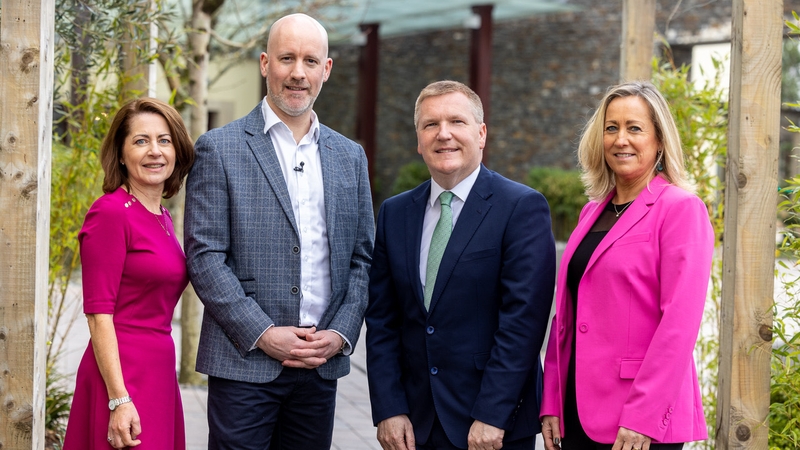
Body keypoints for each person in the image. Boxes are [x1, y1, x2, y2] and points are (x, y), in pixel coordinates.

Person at [183, 13, 374, 450]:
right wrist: (263, 333)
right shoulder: (219, 148)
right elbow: (205, 256)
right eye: (287, 58)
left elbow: (363, 259)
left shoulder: (350, 157)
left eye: (310, 61)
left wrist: (341, 333)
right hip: (245, 362)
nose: (298, 73)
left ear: (326, 69)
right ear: (265, 64)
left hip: (319, 367)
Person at [365, 80, 556, 450]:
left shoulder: (521, 208)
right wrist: (389, 408)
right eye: (430, 124)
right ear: (418, 140)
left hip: (490, 426)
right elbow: (383, 320)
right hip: (414, 424)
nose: (443, 134)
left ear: (481, 134)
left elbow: (523, 322)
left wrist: (493, 414)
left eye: (456, 121)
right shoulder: (394, 213)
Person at [540, 81, 714, 450]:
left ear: (659, 140)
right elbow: (566, 314)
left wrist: (643, 417)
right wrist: (552, 399)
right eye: (611, 128)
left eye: (634, 128)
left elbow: (679, 326)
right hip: (575, 409)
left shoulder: (681, 209)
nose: (621, 140)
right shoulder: (591, 212)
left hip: (636, 419)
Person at [62, 98, 195, 449]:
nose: (155, 151)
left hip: (158, 369)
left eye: (164, 140)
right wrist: (119, 399)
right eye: (140, 141)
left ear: (177, 150)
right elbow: (98, 315)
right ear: (121, 154)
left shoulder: (162, 216)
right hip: (121, 375)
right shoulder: (110, 213)